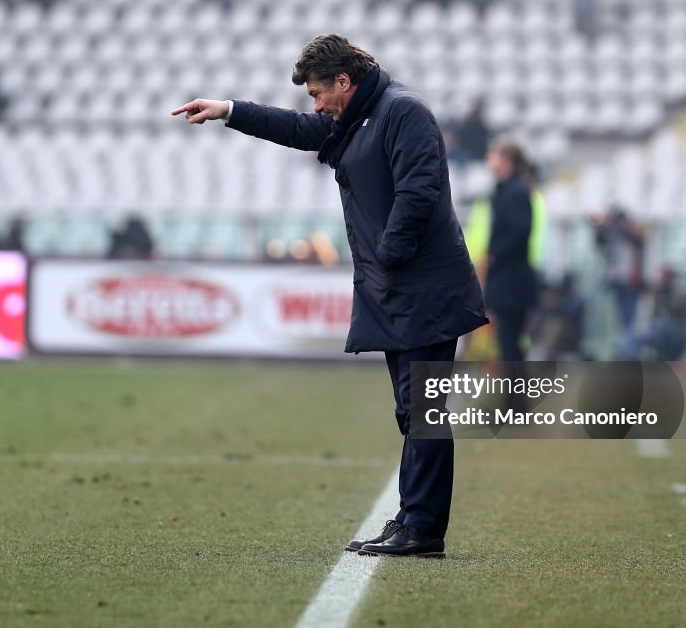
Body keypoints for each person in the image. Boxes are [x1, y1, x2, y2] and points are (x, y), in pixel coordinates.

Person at [171, 34, 487, 557]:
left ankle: (425, 529)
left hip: (423, 288)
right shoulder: (360, 116)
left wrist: (389, 252)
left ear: (345, 82)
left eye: (319, 93)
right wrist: (229, 109)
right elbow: (296, 128)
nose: (315, 106)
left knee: (424, 410)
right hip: (397, 288)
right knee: (412, 411)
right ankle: (413, 518)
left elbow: (419, 186)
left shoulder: (401, 112)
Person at [480, 137, 539, 364]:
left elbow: (520, 231)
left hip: (512, 283)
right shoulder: (506, 191)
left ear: (507, 160)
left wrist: (494, 254)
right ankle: (515, 398)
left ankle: (516, 399)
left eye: (494, 154)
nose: (489, 159)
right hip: (508, 281)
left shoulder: (515, 192)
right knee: (508, 346)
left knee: (510, 346)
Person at [593, 206, 645, 359]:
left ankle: (627, 351)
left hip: (630, 283)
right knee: (625, 320)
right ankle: (626, 350)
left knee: (630, 320)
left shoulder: (628, 234)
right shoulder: (616, 234)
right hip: (621, 283)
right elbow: (600, 240)